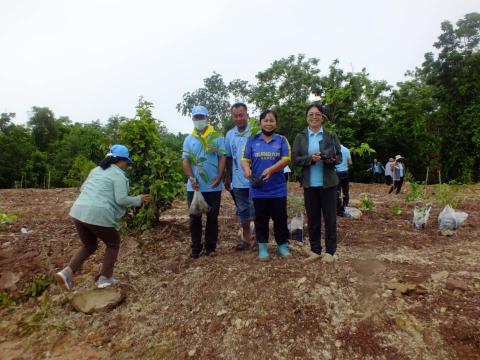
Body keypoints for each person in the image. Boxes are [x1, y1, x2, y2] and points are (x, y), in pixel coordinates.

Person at [55, 145, 152, 290]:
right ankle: (105, 279)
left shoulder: (96, 170)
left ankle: (66, 272)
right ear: (121, 160)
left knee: (89, 245)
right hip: (98, 213)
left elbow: (83, 189)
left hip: (78, 211)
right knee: (113, 243)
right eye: (126, 163)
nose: (126, 166)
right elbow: (121, 199)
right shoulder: (118, 174)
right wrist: (138, 199)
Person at [292, 102, 342, 259]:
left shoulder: (330, 135)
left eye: (317, 114)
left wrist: (331, 160)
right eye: (311, 114)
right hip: (310, 184)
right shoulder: (300, 136)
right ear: (307, 118)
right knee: (313, 219)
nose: (314, 117)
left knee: (330, 219)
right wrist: (310, 159)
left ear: (322, 117)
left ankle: (330, 252)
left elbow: (340, 156)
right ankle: (315, 250)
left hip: (328, 184)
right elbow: (295, 158)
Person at [241, 109, 291, 260]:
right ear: (260, 122)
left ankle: (282, 245)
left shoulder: (282, 140)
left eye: (272, 120)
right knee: (261, 219)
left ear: (276, 123)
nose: (268, 123)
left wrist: (271, 169)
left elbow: (286, 159)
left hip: (278, 189)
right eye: (266, 120)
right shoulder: (252, 140)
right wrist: (247, 169)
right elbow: (244, 159)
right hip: (259, 190)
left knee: (280, 218)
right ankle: (263, 247)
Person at [182, 105, 226, 259]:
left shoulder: (217, 137)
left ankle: (210, 247)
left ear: (208, 118)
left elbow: (222, 156)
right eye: (196, 118)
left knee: (212, 218)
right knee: (194, 218)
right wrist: (191, 177)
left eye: (202, 117)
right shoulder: (189, 139)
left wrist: (220, 175)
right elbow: (186, 161)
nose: (199, 120)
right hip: (194, 186)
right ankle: (195, 248)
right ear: (193, 119)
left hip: (213, 186)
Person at [225, 103, 255, 251]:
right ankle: (246, 239)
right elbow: (229, 157)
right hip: (238, 181)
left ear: (247, 115)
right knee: (242, 211)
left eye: (241, 115)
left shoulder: (255, 131)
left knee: (256, 209)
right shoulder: (230, 135)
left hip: (255, 180)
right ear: (232, 117)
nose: (239, 118)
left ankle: (260, 238)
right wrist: (227, 177)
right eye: (235, 116)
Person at [335, 144, 352, 216]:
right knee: (345, 190)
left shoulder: (333, 150)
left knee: (337, 191)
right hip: (345, 172)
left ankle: (339, 210)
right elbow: (350, 163)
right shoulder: (347, 149)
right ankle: (345, 208)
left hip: (336, 173)